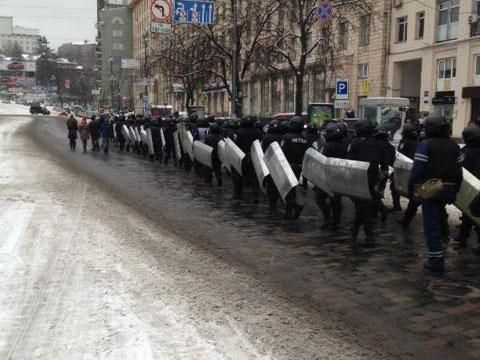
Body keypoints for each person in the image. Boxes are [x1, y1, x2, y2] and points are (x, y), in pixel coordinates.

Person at [408, 115, 463, 276]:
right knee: (439, 218)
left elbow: (416, 170)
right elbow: (459, 173)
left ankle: (436, 261)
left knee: (431, 225)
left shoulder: (425, 145)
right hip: (449, 189)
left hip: (431, 190)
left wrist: (412, 188)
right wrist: (455, 192)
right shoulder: (455, 147)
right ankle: (441, 244)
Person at [348, 119, 381, 246]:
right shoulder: (377, 143)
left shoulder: (355, 143)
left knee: (364, 207)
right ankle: (355, 229)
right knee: (362, 205)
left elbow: (350, 161)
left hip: (359, 178)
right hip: (372, 178)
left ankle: (369, 235)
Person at [315, 122, 348, 230]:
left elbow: (321, 159)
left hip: (327, 176)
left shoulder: (327, 146)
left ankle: (327, 219)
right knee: (336, 200)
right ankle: (336, 221)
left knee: (320, 198)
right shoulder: (345, 146)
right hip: (339, 176)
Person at [454, 127, 480, 250]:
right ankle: (463, 236)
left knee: (469, 211)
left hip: (470, 184)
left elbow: (461, 169)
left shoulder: (466, 151)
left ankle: (463, 236)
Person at [281, 116, 309, 219]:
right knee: (301, 190)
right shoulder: (306, 138)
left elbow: (282, 153)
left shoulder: (287, 137)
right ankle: (298, 206)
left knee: (290, 190)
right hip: (303, 169)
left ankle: (289, 212)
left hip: (290, 168)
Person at [396, 124, 421, 228]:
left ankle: (397, 207)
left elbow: (400, 155)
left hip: (406, 168)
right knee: (415, 198)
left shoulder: (404, 142)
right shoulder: (418, 143)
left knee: (414, 198)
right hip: (415, 169)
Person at [233, 116, 262, 202]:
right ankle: (255, 195)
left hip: (242, 156)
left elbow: (235, 144)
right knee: (254, 177)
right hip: (253, 156)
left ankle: (237, 194)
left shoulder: (238, 132)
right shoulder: (258, 132)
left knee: (239, 175)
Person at [262, 120, 283, 211]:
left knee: (270, 184)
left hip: (269, 163)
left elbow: (263, 150)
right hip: (280, 164)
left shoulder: (266, 137)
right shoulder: (282, 137)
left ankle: (272, 204)